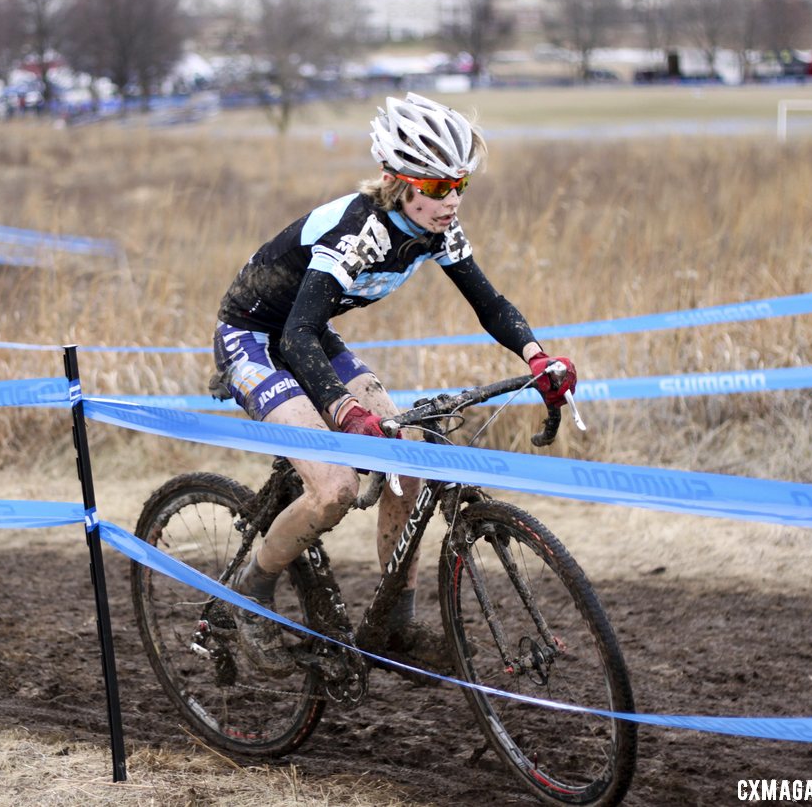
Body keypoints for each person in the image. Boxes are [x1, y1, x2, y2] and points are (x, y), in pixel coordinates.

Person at [212, 92, 577, 676]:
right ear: (395, 181)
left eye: (458, 184)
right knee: (333, 490)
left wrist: (538, 357)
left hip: (309, 331)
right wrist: (343, 411)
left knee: (406, 457)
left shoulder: (437, 229)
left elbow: (488, 303)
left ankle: (393, 624)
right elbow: (297, 335)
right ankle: (250, 594)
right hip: (257, 337)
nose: (450, 200)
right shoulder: (360, 231)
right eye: (434, 188)